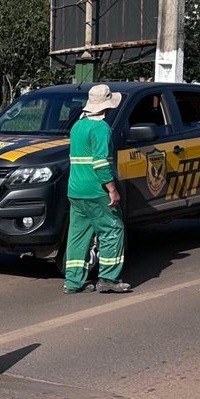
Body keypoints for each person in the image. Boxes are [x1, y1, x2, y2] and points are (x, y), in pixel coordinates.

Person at [65, 84, 131, 295]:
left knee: (78, 235)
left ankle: (73, 282)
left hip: (76, 190)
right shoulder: (101, 128)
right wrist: (112, 189)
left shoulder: (77, 126)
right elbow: (101, 163)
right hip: (96, 190)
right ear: (107, 107)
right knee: (112, 229)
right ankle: (108, 278)